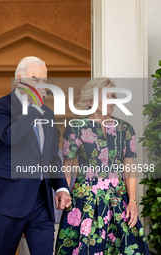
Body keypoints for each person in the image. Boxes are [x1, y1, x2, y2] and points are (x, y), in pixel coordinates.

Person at [0, 56, 71, 255]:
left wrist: (61, 187)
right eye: (36, 79)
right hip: (7, 201)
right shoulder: (1, 107)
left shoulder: (48, 114)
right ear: (20, 79)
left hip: (41, 203)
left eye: (45, 81)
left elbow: (51, 156)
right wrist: (34, 109)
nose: (42, 85)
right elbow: (10, 137)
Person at [55, 78, 149, 255]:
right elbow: (67, 167)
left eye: (113, 96)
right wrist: (64, 193)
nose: (111, 100)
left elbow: (129, 168)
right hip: (85, 203)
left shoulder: (125, 129)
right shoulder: (75, 128)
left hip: (118, 200)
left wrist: (133, 202)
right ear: (91, 101)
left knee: (128, 248)